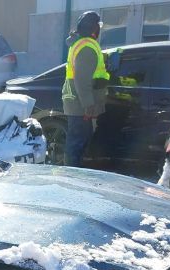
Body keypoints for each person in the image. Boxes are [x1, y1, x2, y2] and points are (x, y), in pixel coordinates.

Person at [62, 11, 110, 167]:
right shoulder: (87, 47)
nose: (99, 29)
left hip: (76, 102)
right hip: (80, 106)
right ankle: (73, 176)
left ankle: (73, 173)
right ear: (93, 27)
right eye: (99, 25)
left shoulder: (81, 43)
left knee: (77, 142)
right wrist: (88, 105)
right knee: (78, 144)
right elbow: (82, 80)